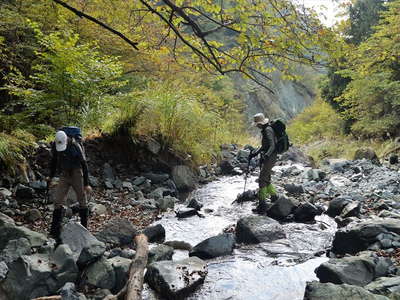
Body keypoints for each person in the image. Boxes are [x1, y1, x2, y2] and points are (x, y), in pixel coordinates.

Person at [48, 130, 92, 244]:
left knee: (82, 200)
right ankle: (55, 231)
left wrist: (86, 184)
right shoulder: (56, 145)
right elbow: (54, 161)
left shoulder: (75, 145)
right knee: (57, 201)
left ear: (66, 140)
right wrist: (51, 177)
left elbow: (84, 164)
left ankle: (84, 229)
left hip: (77, 173)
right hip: (64, 174)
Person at [248, 113, 278, 214]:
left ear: (261, 123)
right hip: (269, 157)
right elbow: (264, 146)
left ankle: (262, 205)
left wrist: (267, 155)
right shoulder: (265, 130)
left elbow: (272, 145)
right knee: (267, 179)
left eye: (257, 124)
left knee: (261, 180)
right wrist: (254, 154)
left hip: (270, 157)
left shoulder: (268, 130)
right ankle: (275, 198)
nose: (257, 126)